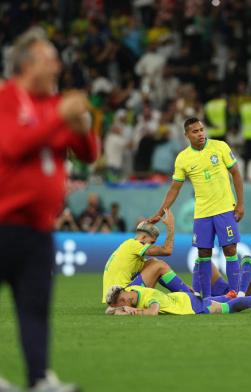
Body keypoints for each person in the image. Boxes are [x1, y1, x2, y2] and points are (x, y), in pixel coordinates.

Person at [0, 29, 98, 391]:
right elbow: (12, 144)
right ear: (27, 65)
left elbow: (88, 154)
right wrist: (60, 117)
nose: (57, 65)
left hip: (39, 230)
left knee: (35, 309)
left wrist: (82, 125)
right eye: (49, 58)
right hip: (3, 222)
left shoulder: (50, 106)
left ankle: (39, 380)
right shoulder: (7, 98)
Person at [149, 118, 244, 298]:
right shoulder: (183, 158)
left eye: (202, 130)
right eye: (195, 131)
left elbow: (236, 174)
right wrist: (160, 212)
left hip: (224, 209)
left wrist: (240, 203)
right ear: (186, 135)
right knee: (203, 253)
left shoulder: (220, 147)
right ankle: (206, 298)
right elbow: (174, 188)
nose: (200, 134)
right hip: (202, 213)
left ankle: (235, 295)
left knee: (230, 250)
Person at [102, 209, 192, 304]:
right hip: (123, 296)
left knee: (152, 262)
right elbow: (167, 250)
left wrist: (182, 285)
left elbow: (159, 274)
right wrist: (171, 226)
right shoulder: (135, 245)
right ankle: (189, 297)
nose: (152, 245)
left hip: (115, 297)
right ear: (143, 238)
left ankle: (185, 292)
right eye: (152, 242)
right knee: (159, 265)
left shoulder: (128, 249)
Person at [104, 284, 251, 316]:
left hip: (190, 305)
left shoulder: (151, 297)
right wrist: (118, 310)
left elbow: (152, 313)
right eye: (117, 303)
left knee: (228, 309)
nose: (122, 304)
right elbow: (109, 310)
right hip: (180, 298)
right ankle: (226, 296)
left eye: (120, 300)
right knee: (221, 301)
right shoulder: (135, 291)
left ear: (125, 291)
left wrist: (132, 312)